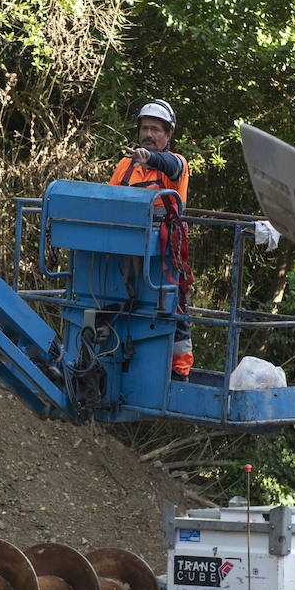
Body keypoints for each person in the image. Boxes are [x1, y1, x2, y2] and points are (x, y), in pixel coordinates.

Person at [109, 99, 193, 380]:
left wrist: (150, 157)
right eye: (145, 128)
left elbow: (170, 164)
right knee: (118, 301)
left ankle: (179, 371)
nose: (149, 134)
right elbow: (108, 198)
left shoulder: (176, 164)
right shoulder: (124, 166)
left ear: (168, 135)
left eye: (156, 129)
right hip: (126, 246)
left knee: (175, 307)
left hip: (165, 252)